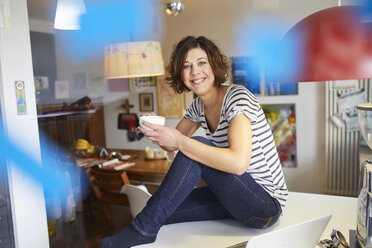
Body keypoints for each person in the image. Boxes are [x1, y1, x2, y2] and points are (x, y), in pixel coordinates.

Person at [99, 36, 288, 248]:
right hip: (233, 199)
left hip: (265, 206)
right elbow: (172, 143)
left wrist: (180, 141)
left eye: (201, 63)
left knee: (195, 146)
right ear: (181, 74)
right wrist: (154, 129)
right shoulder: (199, 106)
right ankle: (144, 228)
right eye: (186, 66)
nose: (194, 72)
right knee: (164, 211)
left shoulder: (238, 98)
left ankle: (141, 230)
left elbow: (238, 163)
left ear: (213, 65)